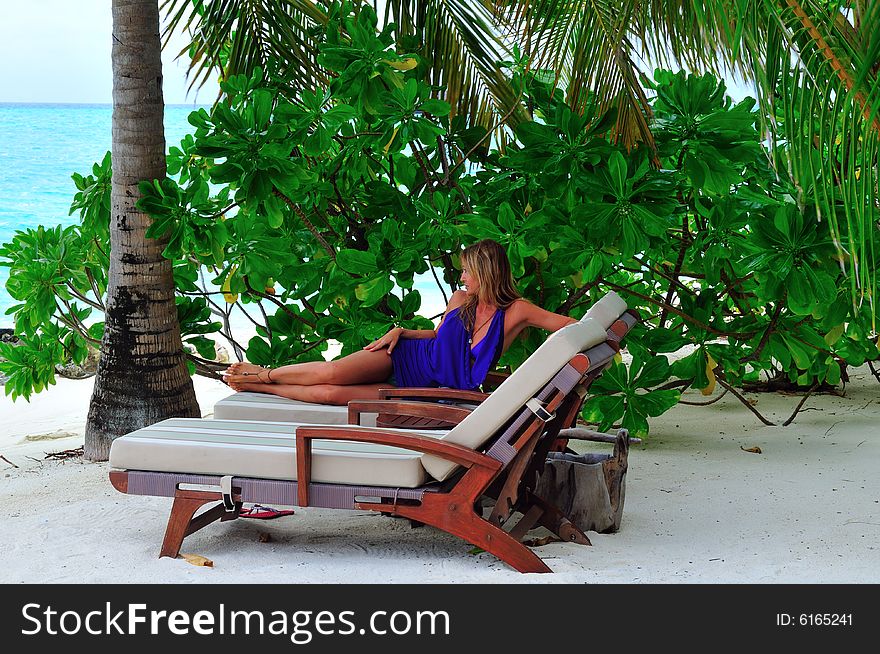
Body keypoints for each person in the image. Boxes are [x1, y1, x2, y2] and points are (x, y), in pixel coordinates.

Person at [222, 239, 576, 403]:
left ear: (485, 272)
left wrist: (589, 348)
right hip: (404, 354)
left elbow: (571, 327)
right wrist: (403, 330)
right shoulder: (459, 300)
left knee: (333, 395)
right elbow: (439, 337)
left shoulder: (516, 312)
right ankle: (262, 373)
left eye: (467, 270)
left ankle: (259, 386)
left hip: (426, 390)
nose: (462, 277)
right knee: (332, 373)